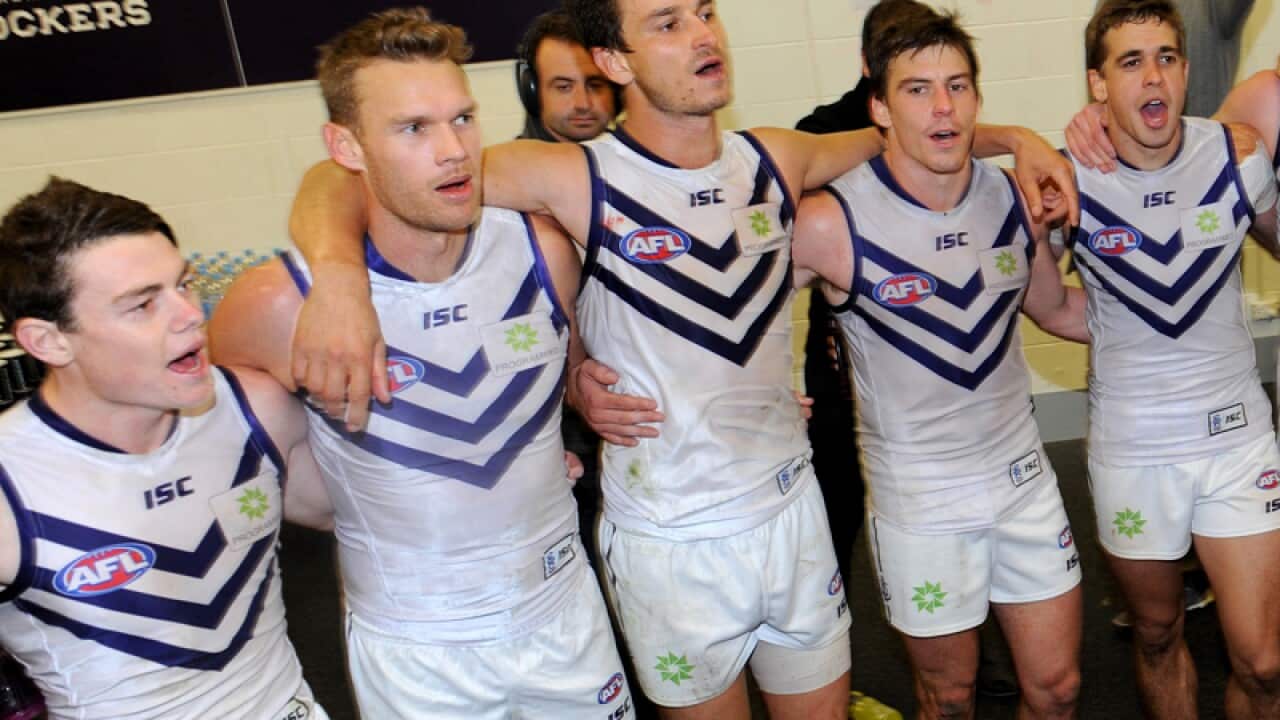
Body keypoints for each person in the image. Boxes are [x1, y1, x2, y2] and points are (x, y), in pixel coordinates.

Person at [282, 2, 1079, 717]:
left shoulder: (775, 157)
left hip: (790, 509)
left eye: (704, 12)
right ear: (615, 61)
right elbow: (354, 176)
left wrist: (1018, 139)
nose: (702, 34)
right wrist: (341, 279)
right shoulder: (574, 175)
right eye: (667, 22)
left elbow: (903, 132)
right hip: (669, 537)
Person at [206, 9, 636, 719]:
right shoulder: (279, 304)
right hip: (418, 648)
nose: (453, 151)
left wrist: (576, 394)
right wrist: (358, 503)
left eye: (462, 119)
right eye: (413, 129)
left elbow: (564, 367)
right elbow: (232, 446)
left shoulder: (543, 250)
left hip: (566, 613)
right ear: (345, 146)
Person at [790, 9, 1088, 718]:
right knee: (949, 698)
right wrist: (764, 393)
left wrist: (1173, 322)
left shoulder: (1012, 198)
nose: (943, 107)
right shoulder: (831, 219)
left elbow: (1055, 309)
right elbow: (743, 310)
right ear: (879, 108)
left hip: (1022, 482)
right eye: (918, 89)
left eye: (957, 86)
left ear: (978, 98)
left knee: (1059, 689)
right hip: (919, 501)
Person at [0, 178, 334, 720]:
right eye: (143, 304)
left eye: (184, 284)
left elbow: (360, 517)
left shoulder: (256, 410)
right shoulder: (10, 482)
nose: (189, 314)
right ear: (48, 341)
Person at [1062, 2, 1280, 717]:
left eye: (1165, 58)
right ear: (1098, 84)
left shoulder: (1237, 157)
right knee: (1157, 633)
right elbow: (1039, 301)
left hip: (1236, 438)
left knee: (1265, 662)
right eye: (1130, 62)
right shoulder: (1068, 181)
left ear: (1186, 71)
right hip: (1134, 448)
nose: (1152, 76)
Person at [516, 10, 620, 143]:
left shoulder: (626, 153)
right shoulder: (509, 157)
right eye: (564, 87)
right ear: (532, 93)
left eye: (595, 86)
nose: (583, 104)